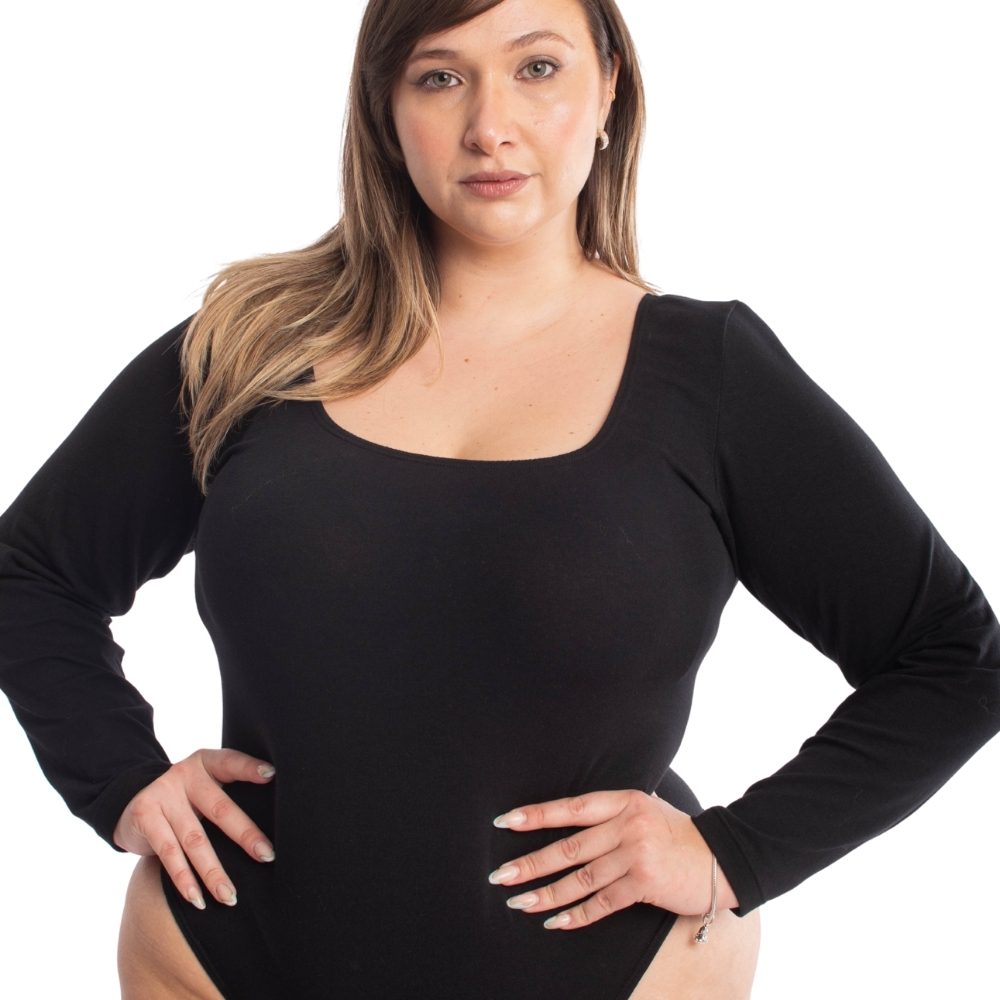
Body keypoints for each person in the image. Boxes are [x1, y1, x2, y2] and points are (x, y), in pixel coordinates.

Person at [1, 0, 998, 997]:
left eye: (537, 68)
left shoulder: (711, 376)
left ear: (609, 90)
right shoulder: (251, 348)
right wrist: (119, 776)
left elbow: (956, 658)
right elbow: (30, 572)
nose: (489, 126)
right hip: (225, 961)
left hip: (614, 971)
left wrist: (735, 853)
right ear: (384, 107)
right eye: (439, 77)